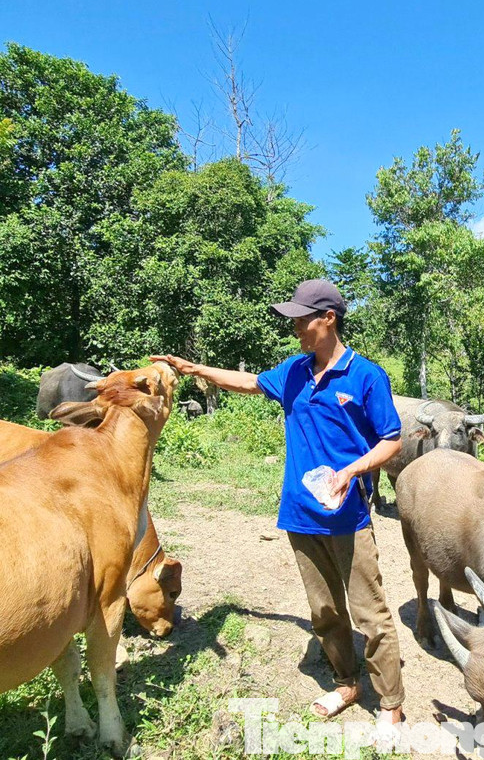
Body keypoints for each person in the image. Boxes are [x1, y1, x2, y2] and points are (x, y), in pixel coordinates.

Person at [152, 279, 406, 728]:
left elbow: (391, 440)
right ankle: (347, 683)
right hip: (300, 513)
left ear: (329, 319)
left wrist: (351, 471)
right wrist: (194, 369)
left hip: (347, 516)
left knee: (370, 612)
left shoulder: (366, 375)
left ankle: (391, 704)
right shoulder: (294, 372)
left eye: (302, 320)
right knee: (324, 610)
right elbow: (249, 382)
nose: (295, 328)